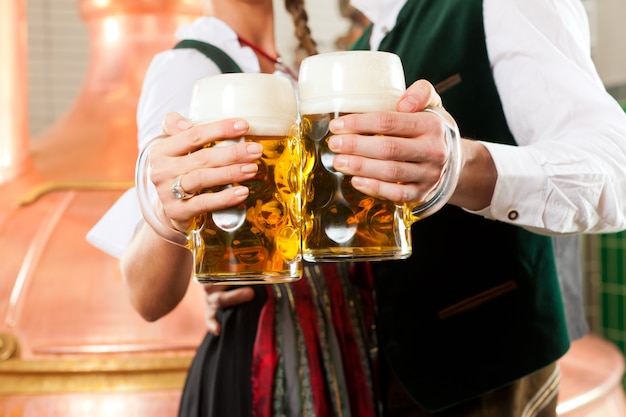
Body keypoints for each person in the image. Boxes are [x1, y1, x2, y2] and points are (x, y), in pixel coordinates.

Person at [321, 0, 626, 416]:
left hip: (490, 371)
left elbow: (614, 169)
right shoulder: (363, 46)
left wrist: (462, 165)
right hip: (381, 376)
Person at [87, 0, 380, 416]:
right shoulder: (187, 68)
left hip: (336, 344)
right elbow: (146, 294)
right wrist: (178, 222)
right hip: (260, 357)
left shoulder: (293, 73)